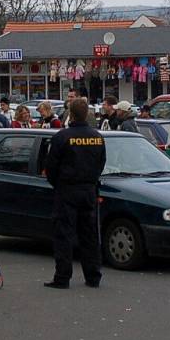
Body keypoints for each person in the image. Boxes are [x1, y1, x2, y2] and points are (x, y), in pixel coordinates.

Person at [43, 98, 106, 289]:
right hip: (88, 190)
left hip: (67, 190)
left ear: (70, 113)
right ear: (87, 113)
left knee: (64, 235)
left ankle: (62, 278)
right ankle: (93, 276)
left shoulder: (62, 137)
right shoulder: (97, 136)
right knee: (90, 235)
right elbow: (101, 163)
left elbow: (51, 166)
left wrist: (58, 184)